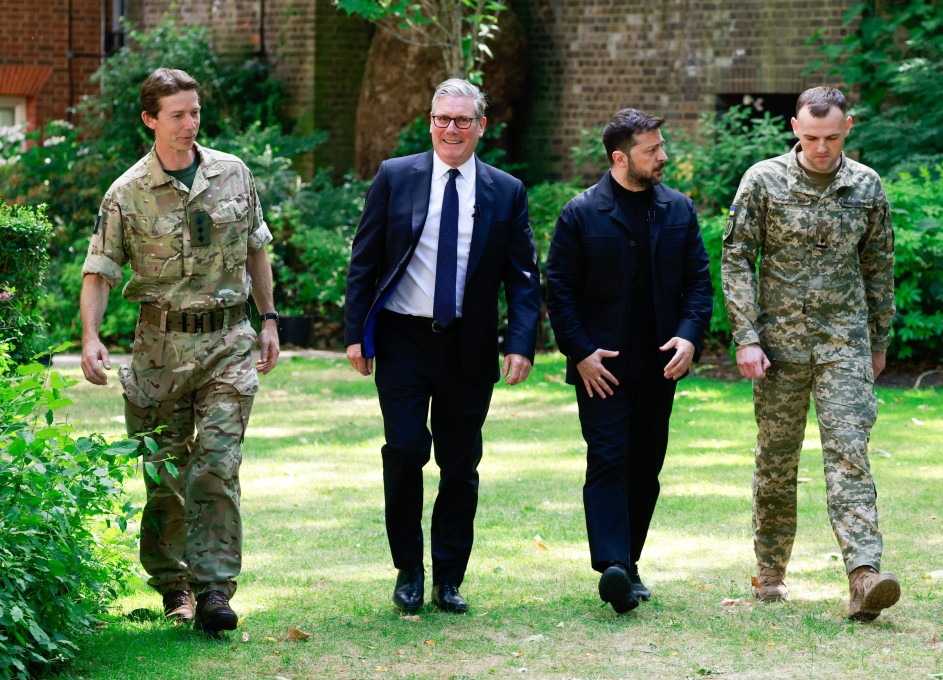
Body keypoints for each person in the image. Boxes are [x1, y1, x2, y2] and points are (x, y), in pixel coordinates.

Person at [80, 68, 280, 635]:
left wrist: (268, 319)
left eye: (195, 112)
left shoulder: (233, 174)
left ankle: (215, 588)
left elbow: (256, 250)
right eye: (178, 114)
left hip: (227, 343)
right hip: (158, 351)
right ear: (150, 120)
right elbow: (99, 272)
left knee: (215, 466)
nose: (190, 124)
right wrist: (92, 338)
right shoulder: (126, 193)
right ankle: (175, 586)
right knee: (164, 475)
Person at [344, 78, 541, 614]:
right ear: (430, 122)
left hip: (468, 347)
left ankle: (448, 578)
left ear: (481, 126)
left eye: (462, 120)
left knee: (460, 464)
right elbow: (364, 261)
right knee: (405, 450)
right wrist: (355, 334)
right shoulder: (395, 176)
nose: (451, 129)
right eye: (442, 119)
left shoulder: (506, 190)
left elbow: (523, 278)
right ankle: (408, 569)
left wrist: (521, 343)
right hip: (404, 340)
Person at [721, 86, 899, 621]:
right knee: (777, 463)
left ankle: (864, 576)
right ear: (795, 130)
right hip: (778, 346)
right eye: (811, 137)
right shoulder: (763, 180)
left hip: (844, 342)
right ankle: (771, 573)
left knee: (849, 455)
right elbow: (736, 259)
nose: (821, 148)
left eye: (832, 137)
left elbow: (879, 267)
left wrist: (879, 342)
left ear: (849, 129)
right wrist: (746, 336)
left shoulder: (866, 186)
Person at [546, 108, 713, 614]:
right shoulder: (580, 213)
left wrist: (688, 339)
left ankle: (630, 564)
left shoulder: (679, 209)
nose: (663, 156)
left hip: (660, 366)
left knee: (646, 466)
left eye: (662, 147)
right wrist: (580, 353)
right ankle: (613, 565)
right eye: (652, 150)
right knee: (608, 459)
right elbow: (560, 290)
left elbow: (699, 286)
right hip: (602, 369)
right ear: (621, 158)